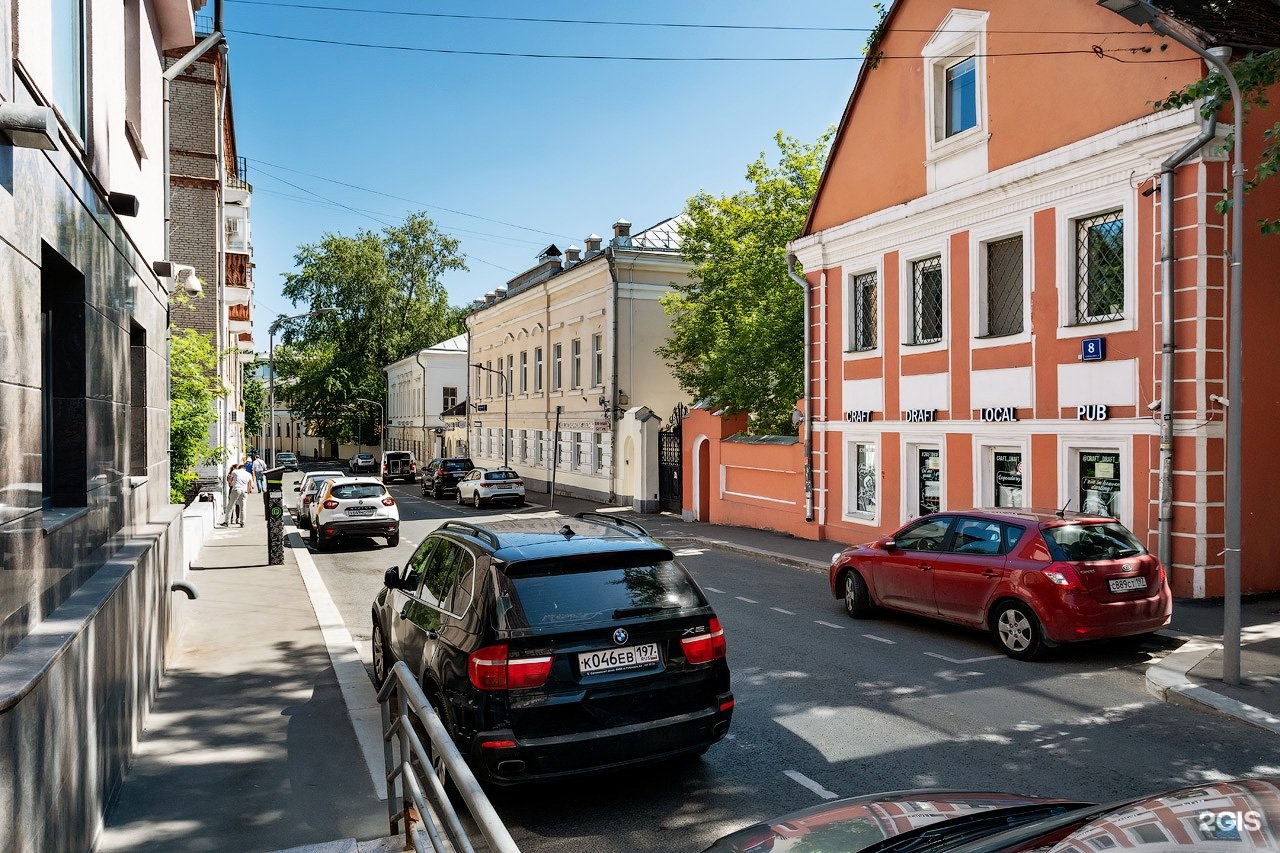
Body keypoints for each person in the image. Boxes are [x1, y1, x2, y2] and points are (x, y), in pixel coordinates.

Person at [222, 462, 253, 527]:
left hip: (236, 489)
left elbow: (230, 480)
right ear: (244, 468)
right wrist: (248, 491)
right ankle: (242, 523)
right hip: (244, 491)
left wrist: (231, 483)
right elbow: (250, 484)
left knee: (230, 505)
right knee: (243, 507)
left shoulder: (235, 471)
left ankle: (226, 522)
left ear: (239, 468)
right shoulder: (248, 474)